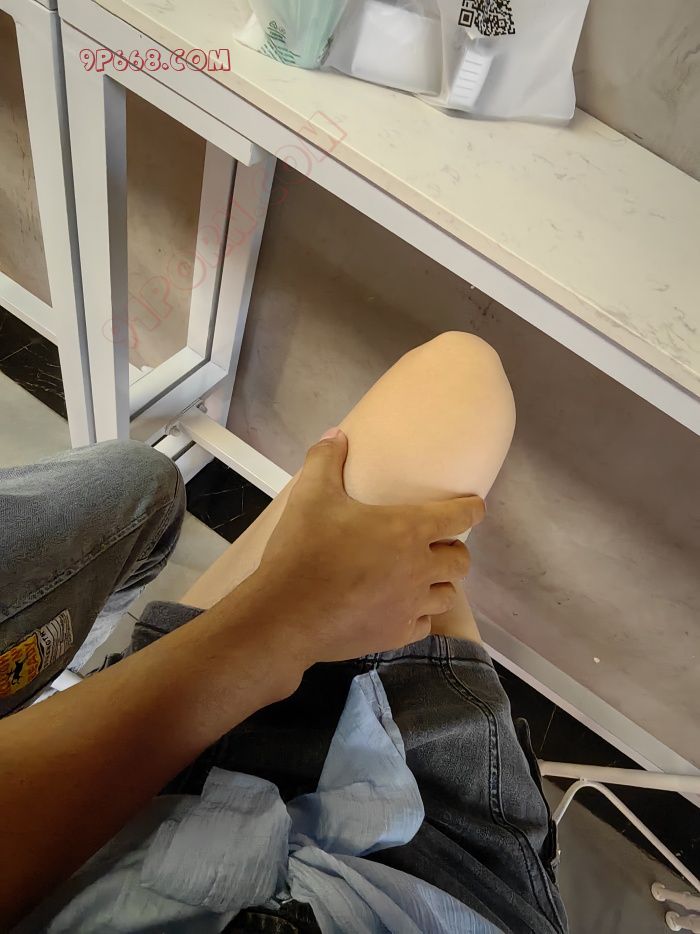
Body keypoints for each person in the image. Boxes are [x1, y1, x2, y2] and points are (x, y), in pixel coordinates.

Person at [0, 333, 567, 933]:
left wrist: (284, 612)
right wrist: (292, 614)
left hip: (129, 811)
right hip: (431, 875)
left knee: (138, 487)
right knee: (454, 397)